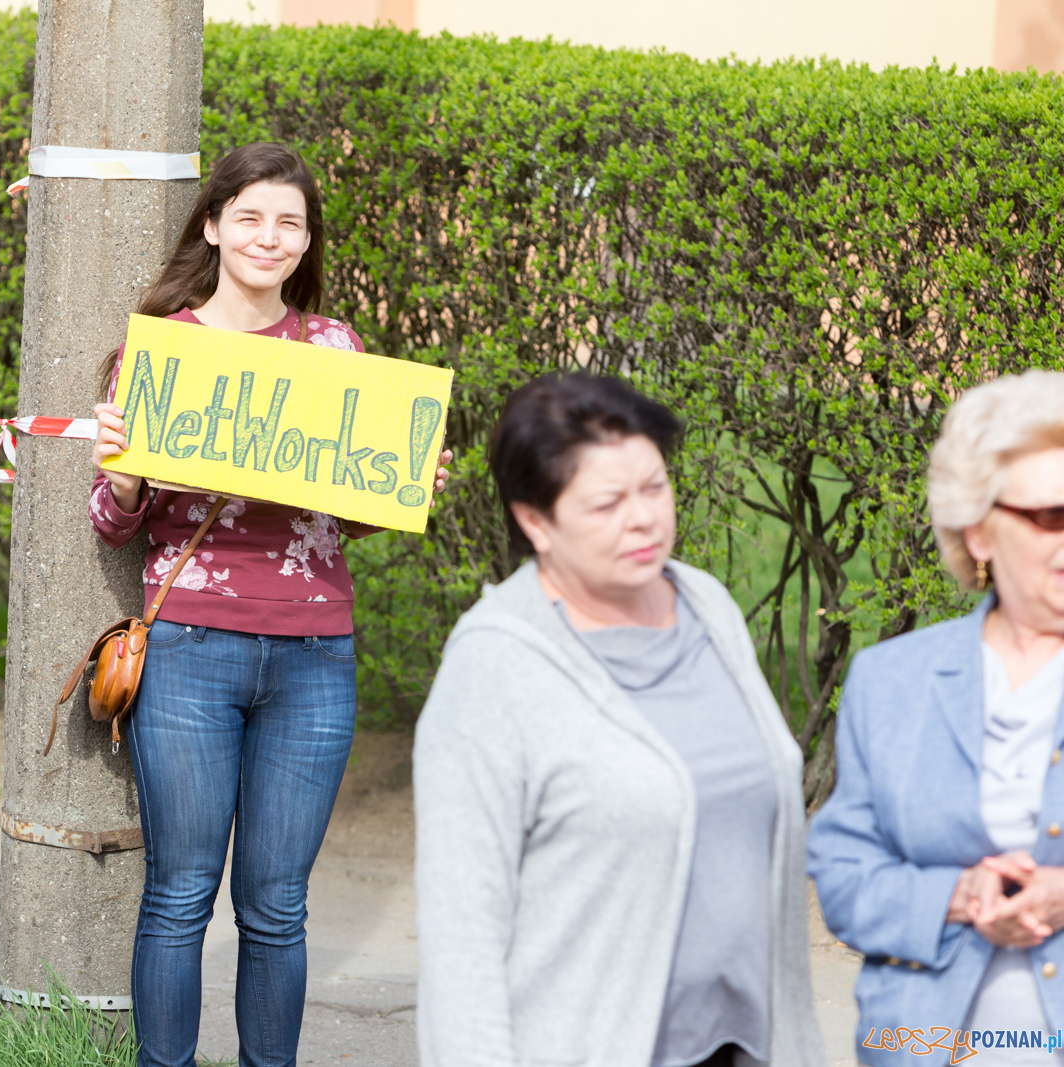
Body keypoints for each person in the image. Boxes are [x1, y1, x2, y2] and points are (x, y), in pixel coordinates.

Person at [89, 141, 450, 1067]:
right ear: (212, 225)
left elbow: (343, 521)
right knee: (178, 892)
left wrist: (401, 486)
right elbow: (115, 522)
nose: (268, 236)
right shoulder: (161, 343)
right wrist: (125, 480)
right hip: (190, 651)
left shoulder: (334, 349)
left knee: (278, 905)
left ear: (305, 241)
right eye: (249, 215)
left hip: (313, 654)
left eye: (288, 221)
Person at [412, 373, 826, 1067]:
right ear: (534, 520)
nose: (644, 519)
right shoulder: (493, 667)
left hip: (749, 1041)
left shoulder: (707, 603)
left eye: (655, 487)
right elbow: (462, 936)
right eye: (607, 502)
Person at [809, 369, 1064, 1066]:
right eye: (1051, 515)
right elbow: (843, 873)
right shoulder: (893, 681)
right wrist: (958, 893)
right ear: (979, 532)